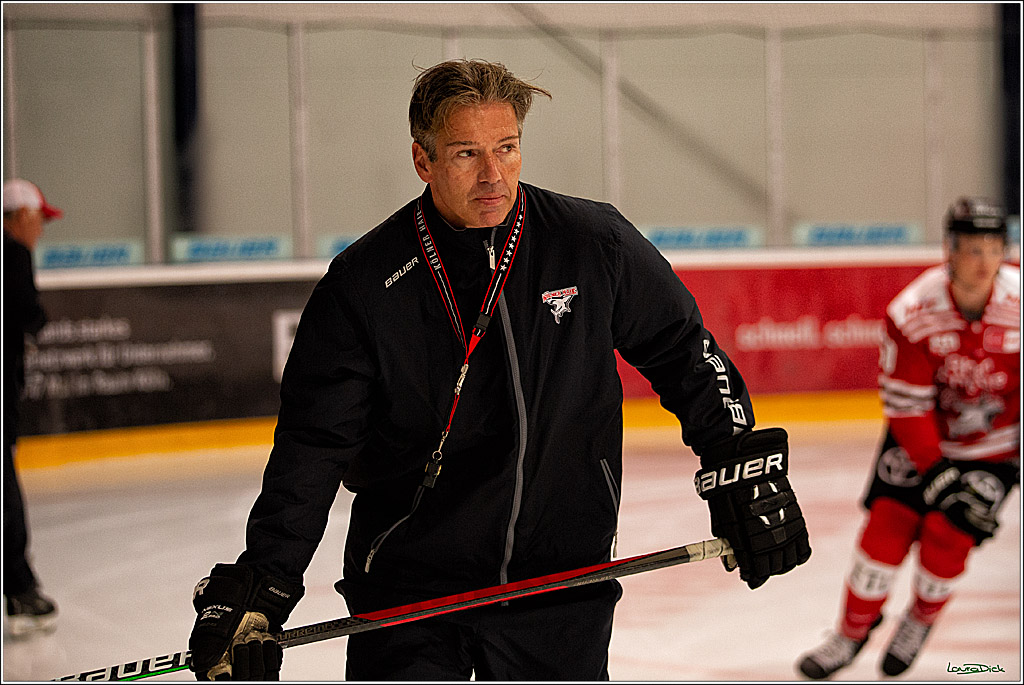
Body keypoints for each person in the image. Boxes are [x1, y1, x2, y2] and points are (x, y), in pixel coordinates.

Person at [188, 59, 811, 681]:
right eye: (465, 154)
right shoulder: (364, 286)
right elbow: (314, 445)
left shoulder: (591, 242)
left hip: (563, 584)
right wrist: (267, 580)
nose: (493, 175)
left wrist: (739, 463)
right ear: (422, 160)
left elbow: (684, 352)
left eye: (507, 148)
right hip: (410, 597)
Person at [796, 197, 1019, 679]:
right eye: (972, 249)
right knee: (885, 532)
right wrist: (936, 472)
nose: (983, 263)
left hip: (993, 453)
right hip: (919, 444)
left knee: (949, 537)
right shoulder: (913, 311)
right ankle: (850, 633)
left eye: (993, 249)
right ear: (949, 250)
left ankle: (918, 620)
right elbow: (907, 404)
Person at [3, 178, 61, 637]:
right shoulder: (12, 255)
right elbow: (29, 312)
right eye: (38, 219)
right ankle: (19, 587)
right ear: (19, 217)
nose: (40, 229)